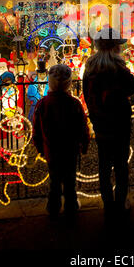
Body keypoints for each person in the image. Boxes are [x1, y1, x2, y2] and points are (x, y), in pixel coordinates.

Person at [83, 27, 134, 221]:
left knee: (104, 164)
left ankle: (108, 203)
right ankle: (121, 202)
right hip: (120, 123)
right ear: (114, 46)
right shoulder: (117, 67)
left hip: (100, 123)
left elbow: (86, 94)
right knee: (121, 164)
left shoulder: (90, 68)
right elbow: (133, 86)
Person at [32, 64, 90, 220]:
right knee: (70, 180)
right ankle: (71, 206)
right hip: (70, 149)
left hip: (51, 149)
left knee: (55, 180)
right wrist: (84, 143)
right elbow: (82, 126)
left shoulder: (43, 104)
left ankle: (53, 206)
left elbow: (36, 127)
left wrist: (39, 146)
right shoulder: (74, 103)